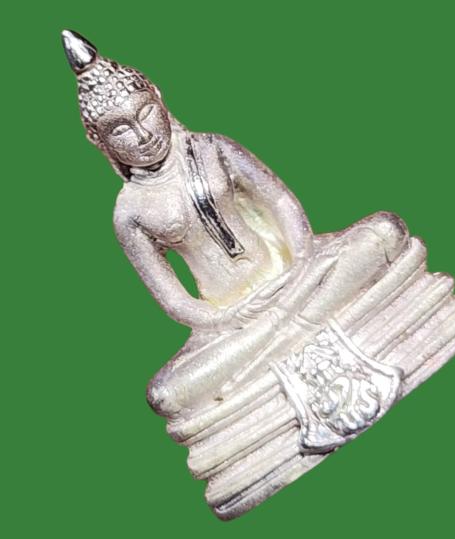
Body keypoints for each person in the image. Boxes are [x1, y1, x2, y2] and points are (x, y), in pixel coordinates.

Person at [62, 30, 409, 418]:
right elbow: (174, 300)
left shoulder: (212, 147)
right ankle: (296, 324)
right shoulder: (129, 212)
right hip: (233, 322)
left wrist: (301, 257)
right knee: (165, 396)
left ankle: (284, 332)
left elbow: (279, 200)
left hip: (296, 272)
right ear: (98, 139)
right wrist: (227, 317)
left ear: (158, 98)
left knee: (385, 231)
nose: (143, 135)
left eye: (144, 114)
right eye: (120, 130)